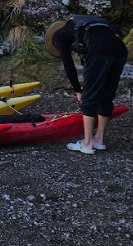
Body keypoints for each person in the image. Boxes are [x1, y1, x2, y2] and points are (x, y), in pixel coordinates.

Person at [45, 15, 129, 154]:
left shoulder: (59, 36)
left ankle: (87, 143)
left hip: (99, 49)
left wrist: (78, 91)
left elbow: (69, 65)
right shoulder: (82, 27)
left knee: (89, 98)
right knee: (106, 96)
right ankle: (99, 140)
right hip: (120, 49)